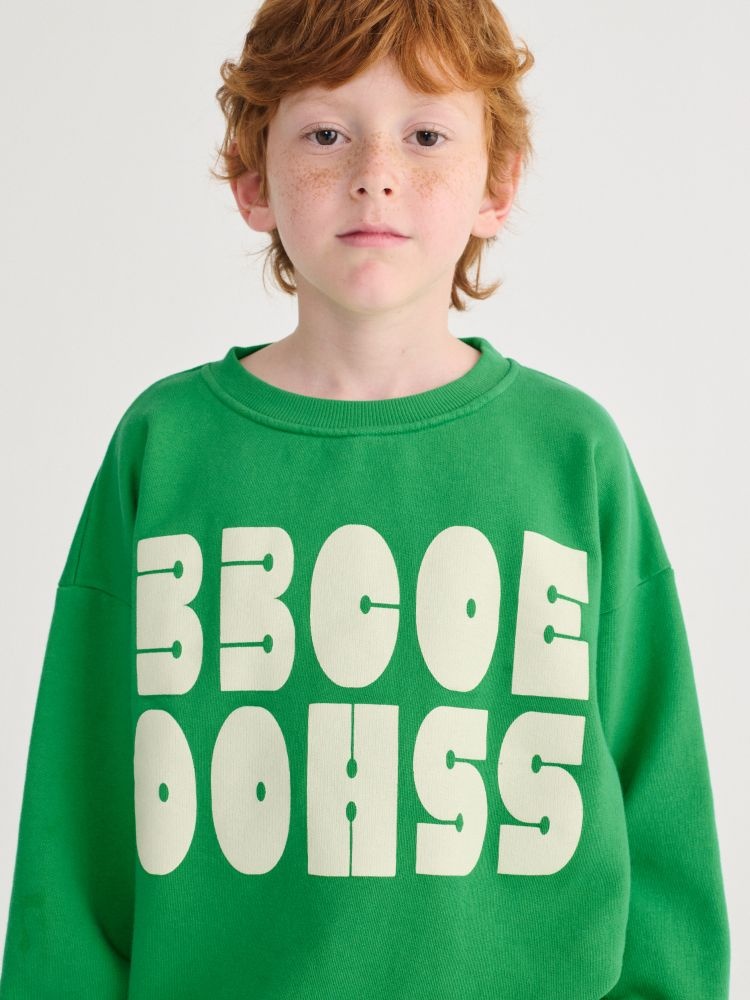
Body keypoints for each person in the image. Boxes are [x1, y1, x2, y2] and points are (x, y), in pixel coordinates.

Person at [0, 0, 731, 997]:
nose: (374, 172)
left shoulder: (574, 454)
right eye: (325, 134)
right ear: (252, 180)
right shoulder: (165, 448)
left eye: (425, 135)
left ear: (497, 184)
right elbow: (77, 813)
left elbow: (660, 807)